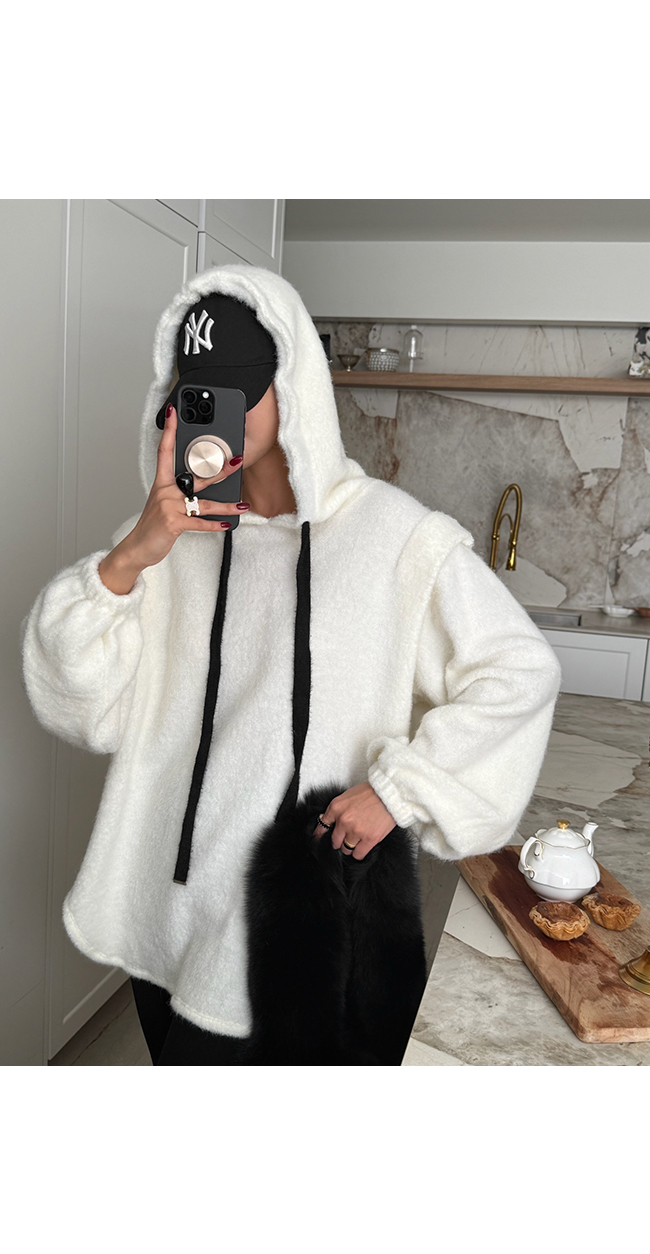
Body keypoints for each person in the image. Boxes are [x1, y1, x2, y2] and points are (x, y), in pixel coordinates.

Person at [20, 265, 562, 1065]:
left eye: (236, 393)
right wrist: (132, 555)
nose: (216, 414)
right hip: (160, 904)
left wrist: (399, 791)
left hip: (281, 920)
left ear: (292, 388)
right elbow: (82, 705)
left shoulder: (392, 537)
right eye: (197, 396)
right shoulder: (173, 538)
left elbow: (518, 670)